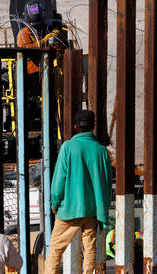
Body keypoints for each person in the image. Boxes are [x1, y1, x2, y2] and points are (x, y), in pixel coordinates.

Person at [44, 110, 112, 274]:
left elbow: (59, 180)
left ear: (75, 126)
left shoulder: (68, 147)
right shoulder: (102, 151)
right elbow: (107, 183)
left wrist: (55, 203)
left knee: (55, 249)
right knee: (89, 249)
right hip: (92, 210)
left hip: (69, 209)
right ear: (93, 126)